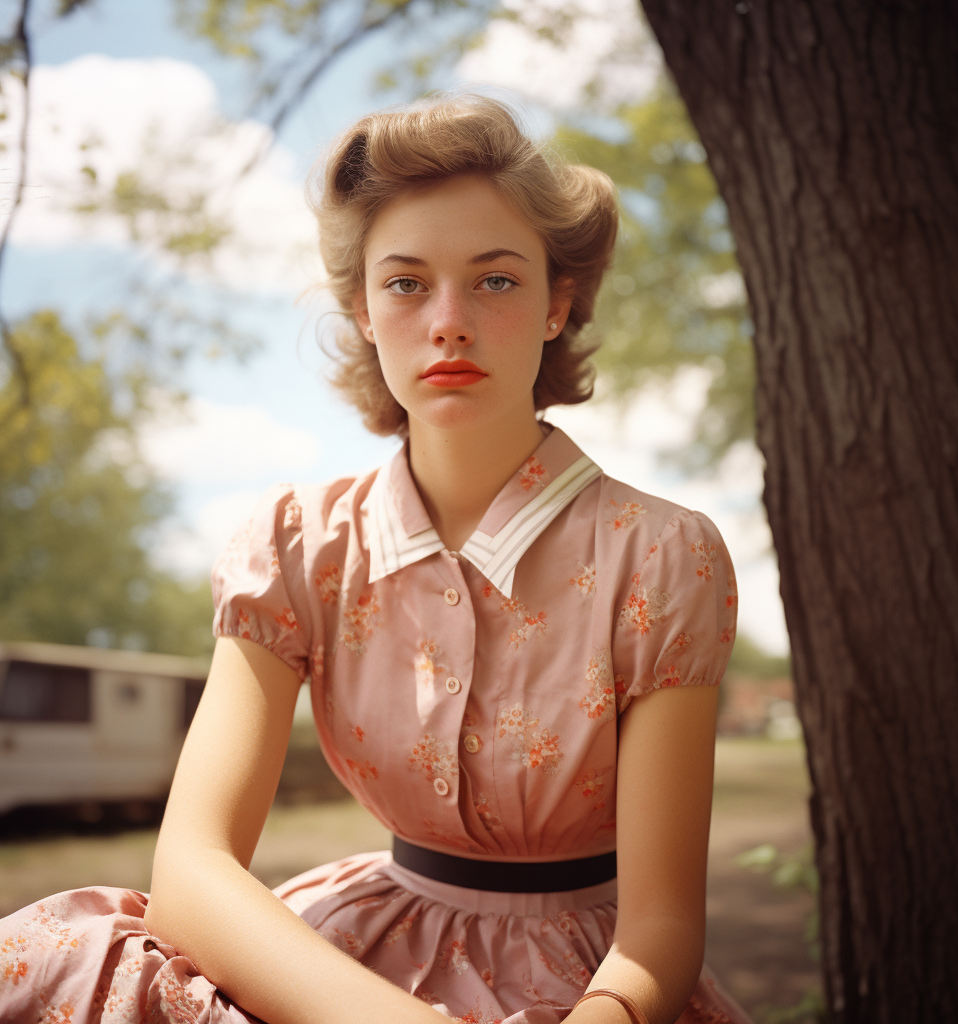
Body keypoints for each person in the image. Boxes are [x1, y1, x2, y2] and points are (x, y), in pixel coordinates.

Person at [0, 94, 752, 1024]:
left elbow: (664, 930)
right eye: (405, 284)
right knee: (76, 963)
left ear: (558, 302)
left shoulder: (664, 556)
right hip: (351, 971)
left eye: (497, 281)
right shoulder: (295, 549)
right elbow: (190, 871)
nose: (448, 322)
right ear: (362, 307)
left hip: (597, 990)